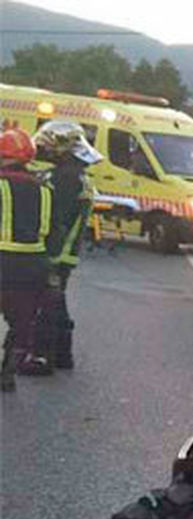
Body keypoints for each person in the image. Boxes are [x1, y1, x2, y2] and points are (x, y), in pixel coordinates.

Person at [33, 120, 102, 370]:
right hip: (66, 253)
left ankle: (43, 357)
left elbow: (57, 221)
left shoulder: (65, 178)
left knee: (47, 305)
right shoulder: (76, 175)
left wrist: (48, 256)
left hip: (57, 253)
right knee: (56, 301)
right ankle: (63, 354)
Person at [0, 128, 54, 392]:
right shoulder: (44, 189)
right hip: (33, 265)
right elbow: (54, 231)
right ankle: (7, 373)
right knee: (22, 322)